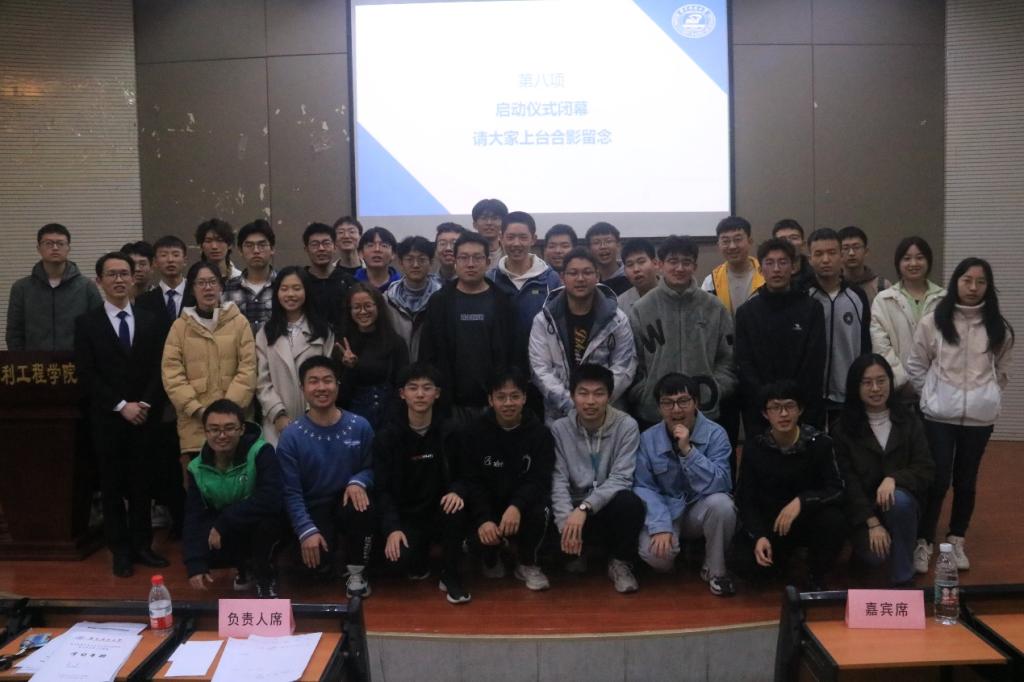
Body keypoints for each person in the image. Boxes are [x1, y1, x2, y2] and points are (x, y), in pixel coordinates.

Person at [907, 257, 1014, 573]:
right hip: (939, 417)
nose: (973, 287)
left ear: (988, 287)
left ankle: (956, 538)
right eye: (967, 280)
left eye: (980, 282)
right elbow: (916, 365)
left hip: (979, 419)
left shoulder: (998, 328)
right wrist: (931, 395)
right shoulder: (933, 322)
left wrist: (988, 395)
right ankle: (924, 540)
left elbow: (1002, 370)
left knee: (966, 481)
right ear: (956, 282)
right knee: (937, 480)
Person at [75, 252, 170, 577]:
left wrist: (144, 403)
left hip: (145, 416)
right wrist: (120, 405)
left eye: (124, 273)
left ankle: (143, 545)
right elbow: (86, 373)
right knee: (112, 486)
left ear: (133, 278)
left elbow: (160, 368)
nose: (119, 280)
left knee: (142, 484)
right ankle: (120, 550)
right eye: (111, 274)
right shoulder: (86, 323)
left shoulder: (150, 319)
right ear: (99, 281)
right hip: (108, 419)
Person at [277, 356, 375, 598]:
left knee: (361, 506)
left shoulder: (360, 426)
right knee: (314, 567)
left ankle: (357, 571)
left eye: (327, 380)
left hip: (347, 502)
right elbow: (290, 491)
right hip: (313, 508)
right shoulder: (291, 436)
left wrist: (359, 481)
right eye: (313, 381)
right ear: (302, 388)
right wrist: (306, 530)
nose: (321, 387)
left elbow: (373, 467)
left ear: (338, 385)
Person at [832, 355, 934, 586]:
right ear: (855, 386)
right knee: (875, 556)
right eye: (867, 382)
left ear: (890, 381)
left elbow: (926, 469)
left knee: (899, 500)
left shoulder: (909, 420)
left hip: (902, 507)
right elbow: (847, 481)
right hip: (863, 512)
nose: (876, 389)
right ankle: (861, 553)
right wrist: (872, 522)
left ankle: (903, 579)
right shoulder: (842, 429)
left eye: (881, 380)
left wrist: (894, 478)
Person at [374, 363, 471, 603]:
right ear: (402, 393)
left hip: (440, 513)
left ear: (437, 393)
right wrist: (393, 528)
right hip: (407, 517)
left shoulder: (452, 431)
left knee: (456, 507)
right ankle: (419, 556)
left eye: (427, 388)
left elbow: (467, 474)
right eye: (413, 388)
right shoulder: (387, 436)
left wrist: (457, 491)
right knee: (398, 561)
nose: (420, 394)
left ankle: (451, 575)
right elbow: (382, 490)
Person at [735, 380, 845, 590]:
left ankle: (815, 574)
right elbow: (745, 498)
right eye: (775, 407)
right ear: (765, 414)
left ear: (800, 410)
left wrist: (802, 501)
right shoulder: (755, 447)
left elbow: (837, 489)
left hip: (807, 519)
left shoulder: (820, 444)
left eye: (789, 406)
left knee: (834, 520)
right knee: (742, 563)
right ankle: (781, 562)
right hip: (771, 523)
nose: (783, 414)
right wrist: (759, 535)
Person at [634, 373, 737, 596]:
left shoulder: (716, 434)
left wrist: (688, 452)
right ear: (659, 408)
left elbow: (722, 483)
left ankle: (716, 571)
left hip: (700, 509)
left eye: (683, 401)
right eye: (667, 403)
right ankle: (679, 555)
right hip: (667, 511)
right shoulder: (648, 439)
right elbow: (643, 487)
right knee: (657, 557)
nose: (676, 409)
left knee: (723, 505)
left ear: (696, 403)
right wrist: (660, 525)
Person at [454, 368, 555, 592]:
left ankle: (527, 562)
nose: (508, 403)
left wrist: (516, 506)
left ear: (524, 398)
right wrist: (484, 519)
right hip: (487, 504)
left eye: (514, 396)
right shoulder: (473, 433)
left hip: (521, 506)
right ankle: (490, 556)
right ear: (490, 400)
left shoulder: (540, 434)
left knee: (543, 508)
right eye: (501, 397)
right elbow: (472, 481)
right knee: (466, 520)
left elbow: (539, 480)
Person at [551, 364, 646, 593]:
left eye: (598, 393)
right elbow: (558, 480)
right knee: (543, 505)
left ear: (610, 396)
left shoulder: (627, 426)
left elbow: (622, 478)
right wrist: (566, 525)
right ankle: (576, 552)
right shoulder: (559, 429)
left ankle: (620, 562)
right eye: (583, 393)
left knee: (630, 503)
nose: (590, 401)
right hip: (572, 510)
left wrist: (585, 507)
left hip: (605, 506)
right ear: (572, 396)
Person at [628, 236, 736, 429]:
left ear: (694, 267)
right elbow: (632, 361)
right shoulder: (642, 309)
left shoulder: (714, 307)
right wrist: (645, 391)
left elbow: (728, 358)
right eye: (673, 261)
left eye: (686, 262)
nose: (679, 268)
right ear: (660, 265)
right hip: (654, 414)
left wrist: (714, 389)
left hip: (704, 413)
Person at [183, 399, 284, 597]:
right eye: (214, 429)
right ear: (205, 432)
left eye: (229, 428)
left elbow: (271, 498)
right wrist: (195, 563)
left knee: (268, 524)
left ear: (242, 429)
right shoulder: (196, 467)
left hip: (258, 521)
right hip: (228, 526)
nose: (222, 435)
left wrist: (224, 521)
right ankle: (244, 567)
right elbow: (193, 516)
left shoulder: (262, 452)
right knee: (202, 538)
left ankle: (265, 573)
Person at [529, 247, 636, 425]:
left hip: (608, 415)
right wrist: (571, 405)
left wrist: (596, 401)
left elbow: (624, 366)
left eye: (587, 272)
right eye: (573, 273)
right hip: (560, 418)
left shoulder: (617, 319)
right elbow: (540, 369)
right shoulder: (544, 320)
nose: (580, 279)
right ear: (562, 277)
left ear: (597, 276)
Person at [161, 261, 257, 460]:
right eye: (201, 283)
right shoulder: (179, 327)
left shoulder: (239, 322)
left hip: (235, 423)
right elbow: (172, 374)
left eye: (213, 282)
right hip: (195, 425)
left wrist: (228, 413)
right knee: (200, 476)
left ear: (221, 286)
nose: (208, 288)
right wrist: (198, 410)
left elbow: (248, 368)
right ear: (192, 289)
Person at [735, 238, 827, 434]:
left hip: (803, 405)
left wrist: (791, 400)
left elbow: (814, 361)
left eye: (783, 262)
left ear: (793, 267)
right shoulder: (746, 312)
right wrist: (769, 400)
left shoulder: (812, 309)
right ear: (760, 269)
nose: (776, 269)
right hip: (760, 408)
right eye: (769, 263)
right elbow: (744, 362)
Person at [419, 232, 514, 421]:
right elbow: (428, 353)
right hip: (449, 403)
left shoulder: (504, 301)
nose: (470, 264)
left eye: (477, 257)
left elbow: (513, 353)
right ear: (455, 261)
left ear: (488, 262)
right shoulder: (439, 301)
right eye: (464, 257)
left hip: (496, 402)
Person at [135, 235, 194, 537]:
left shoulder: (199, 295)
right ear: (155, 263)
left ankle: (199, 519)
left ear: (185, 259)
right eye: (164, 255)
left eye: (175, 254)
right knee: (165, 458)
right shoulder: (143, 302)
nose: (170, 260)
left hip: (196, 389)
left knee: (197, 456)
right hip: (158, 394)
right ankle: (177, 519)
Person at [255, 266, 335, 446]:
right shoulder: (266, 333)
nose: (290, 294)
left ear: (306, 291)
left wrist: (311, 412)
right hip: (277, 423)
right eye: (284, 289)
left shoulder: (322, 331)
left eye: (297, 288)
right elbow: (262, 381)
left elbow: (328, 376)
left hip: (317, 417)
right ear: (277, 293)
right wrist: (278, 414)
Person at [806, 228, 871, 422]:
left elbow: (866, 345)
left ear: (841, 256)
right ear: (810, 259)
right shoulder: (802, 295)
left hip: (848, 393)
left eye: (832, 253)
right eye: (818, 254)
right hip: (810, 395)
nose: (825, 259)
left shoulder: (857, 296)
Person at [486, 210, 561, 373]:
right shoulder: (490, 279)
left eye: (523, 237)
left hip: (543, 370)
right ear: (501, 238)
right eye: (510, 237)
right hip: (499, 371)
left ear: (533, 239)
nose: (516, 243)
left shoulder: (551, 279)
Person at [6, 223, 102, 350]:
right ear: (38, 248)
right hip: (35, 361)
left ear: (68, 248)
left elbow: (98, 328)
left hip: (77, 360)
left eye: (60, 243)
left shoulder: (86, 287)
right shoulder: (22, 288)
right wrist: (22, 359)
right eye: (48, 243)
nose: (55, 248)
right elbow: (14, 332)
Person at [870, 236, 945, 396]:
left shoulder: (944, 299)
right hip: (899, 388)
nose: (913, 263)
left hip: (939, 387)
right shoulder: (884, 299)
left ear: (929, 261)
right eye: (907, 258)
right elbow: (881, 345)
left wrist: (932, 381)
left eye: (919, 258)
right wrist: (901, 379)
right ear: (898, 263)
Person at [336, 282, 409, 429]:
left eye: (368, 306)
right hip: (352, 419)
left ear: (378, 307)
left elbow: (403, 385)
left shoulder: (395, 342)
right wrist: (350, 368)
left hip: (388, 418)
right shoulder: (342, 344)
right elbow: (339, 395)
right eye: (356, 307)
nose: (363, 312)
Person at [385, 236, 443, 361]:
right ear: (401, 263)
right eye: (409, 259)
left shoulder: (443, 298)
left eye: (422, 259)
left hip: (431, 367)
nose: (415, 265)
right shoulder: (388, 299)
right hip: (397, 366)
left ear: (431, 263)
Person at [223, 219, 277, 334]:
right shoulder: (227, 289)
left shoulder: (284, 286)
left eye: (262, 245)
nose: (256, 251)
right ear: (240, 251)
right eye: (249, 245)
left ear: (272, 249)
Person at [701, 216, 764, 316]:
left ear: (750, 241)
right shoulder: (711, 282)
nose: (732, 246)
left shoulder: (767, 275)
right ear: (719, 245)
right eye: (725, 241)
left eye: (737, 239)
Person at [302, 222, 354, 327]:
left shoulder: (348, 281)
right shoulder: (300, 280)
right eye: (315, 244)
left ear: (335, 247)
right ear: (306, 249)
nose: (321, 248)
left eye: (326, 243)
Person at [838, 226, 890, 306]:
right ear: (838, 253)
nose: (851, 253)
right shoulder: (832, 285)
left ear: (866, 251)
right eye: (845, 248)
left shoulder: (882, 286)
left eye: (856, 247)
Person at [617, 238, 659, 316]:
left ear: (655, 263)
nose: (636, 269)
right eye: (630, 265)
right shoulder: (620, 305)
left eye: (641, 262)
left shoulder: (674, 291)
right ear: (624, 271)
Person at [585, 222, 630, 295]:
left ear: (618, 246)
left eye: (608, 241)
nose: (603, 246)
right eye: (596, 242)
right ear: (589, 249)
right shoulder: (585, 280)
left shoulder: (630, 276)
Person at [354, 226, 401, 292]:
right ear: (361, 253)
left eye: (384, 245)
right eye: (370, 245)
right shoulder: (352, 285)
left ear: (393, 254)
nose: (377, 249)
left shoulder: (402, 287)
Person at [772, 218, 813, 291]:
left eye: (794, 238)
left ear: (803, 245)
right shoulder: (765, 275)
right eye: (782, 239)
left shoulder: (816, 275)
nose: (788, 243)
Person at [471, 198, 508, 263]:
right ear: (475, 224)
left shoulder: (510, 253)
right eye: (483, 218)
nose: (489, 223)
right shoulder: (465, 253)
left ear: (504, 224)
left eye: (495, 218)